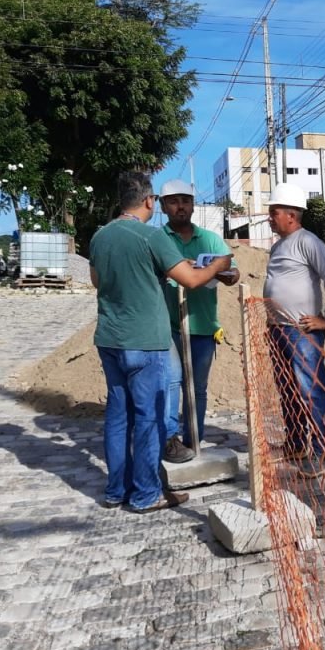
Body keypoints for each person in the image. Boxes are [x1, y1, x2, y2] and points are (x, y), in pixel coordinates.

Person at [90, 171, 232, 512]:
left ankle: (116, 490)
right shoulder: (151, 237)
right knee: (148, 418)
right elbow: (192, 279)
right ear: (150, 201)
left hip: (110, 338)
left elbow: (97, 280)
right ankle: (146, 494)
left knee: (118, 417)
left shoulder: (100, 236)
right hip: (145, 341)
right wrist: (220, 264)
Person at [263, 182, 325, 478]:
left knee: (311, 391)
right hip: (279, 329)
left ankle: (323, 452)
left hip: (302, 331)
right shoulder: (278, 246)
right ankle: (296, 443)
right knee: (288, 390)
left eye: (274, 212)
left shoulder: (308, 241)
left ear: (291, 215)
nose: (270, 218)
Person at [158, 179, 240, 462]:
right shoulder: (157, 239)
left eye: (185, 200)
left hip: (203, 326)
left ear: (193, 205)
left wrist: (219, 271)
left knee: (198, 389)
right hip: (167, 327)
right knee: (171, 382)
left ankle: (194, 437)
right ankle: (170, 439)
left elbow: (233, 273)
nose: (180, 206)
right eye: (173, 201)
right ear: (163, 206)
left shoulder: (211, 239)